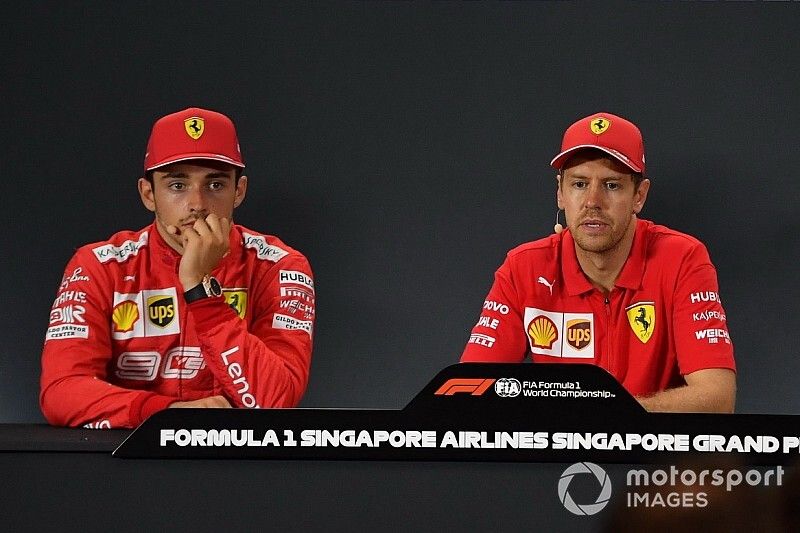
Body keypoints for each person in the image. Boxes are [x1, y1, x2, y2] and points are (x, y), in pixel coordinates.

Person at [40, 107, 315, 428]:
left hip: (236, 469)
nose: (197, 204)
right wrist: (168, 413)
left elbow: (274, 403)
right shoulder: (100, 266)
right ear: (148, 194)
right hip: (125, 468)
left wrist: (201, 290)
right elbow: (61, 392)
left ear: (238, 191)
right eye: (177, 185)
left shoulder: (279, 265)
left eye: (215, 185)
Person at [460, 112, 735, 412]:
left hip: (652, 456)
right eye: (579, 184)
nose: (592, 201)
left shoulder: (682, 259)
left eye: (612, 185)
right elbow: (471, 392)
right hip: (556, 455)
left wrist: (602, 418)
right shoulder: (523, 268)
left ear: (639, 196)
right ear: (560, 193)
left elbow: (716, 399)